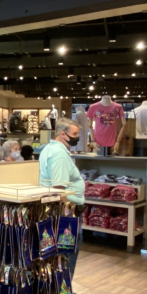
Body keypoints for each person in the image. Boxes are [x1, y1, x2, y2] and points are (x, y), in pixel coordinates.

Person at [38, 117, 86, 276]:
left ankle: (58, 286)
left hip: (58, 211)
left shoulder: (50, 149)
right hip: (66, 213)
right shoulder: (59, 154)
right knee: (65, 255)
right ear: (63, 134)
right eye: (74, 134)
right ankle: (62, 287)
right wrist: (67, 218)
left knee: (60, 255)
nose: (77, 138)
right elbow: (59, 189)